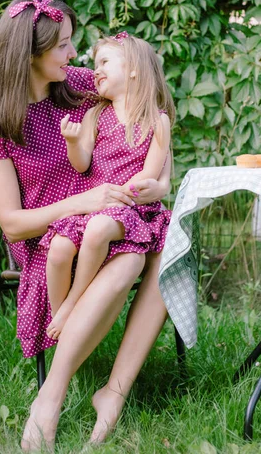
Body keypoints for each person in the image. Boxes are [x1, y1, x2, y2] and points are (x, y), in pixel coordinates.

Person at [0, 0, 172, 451]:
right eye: (63, 44)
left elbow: (149, 108)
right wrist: (83, 202)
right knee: (127, 261)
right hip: (48, 239)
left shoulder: (79, 83)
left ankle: (111, 393)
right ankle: (56, 393)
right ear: (31, 52)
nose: (74, 53)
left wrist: (158, 180)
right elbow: (12, 224)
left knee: (169, 248)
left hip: (108, 217)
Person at [42, 32, 175, 341]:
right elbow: (81, 164)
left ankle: (72, 306)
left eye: (104, 62)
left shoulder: (157, 120)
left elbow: (149, 175)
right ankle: (64, 325)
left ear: (133, 68)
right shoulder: (95, 114)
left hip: (131, 211)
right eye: (95, 63)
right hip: (95, 206)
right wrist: (73, 142)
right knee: (60, 248)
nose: (95, 70)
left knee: (100, 228)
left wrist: (119, 198)